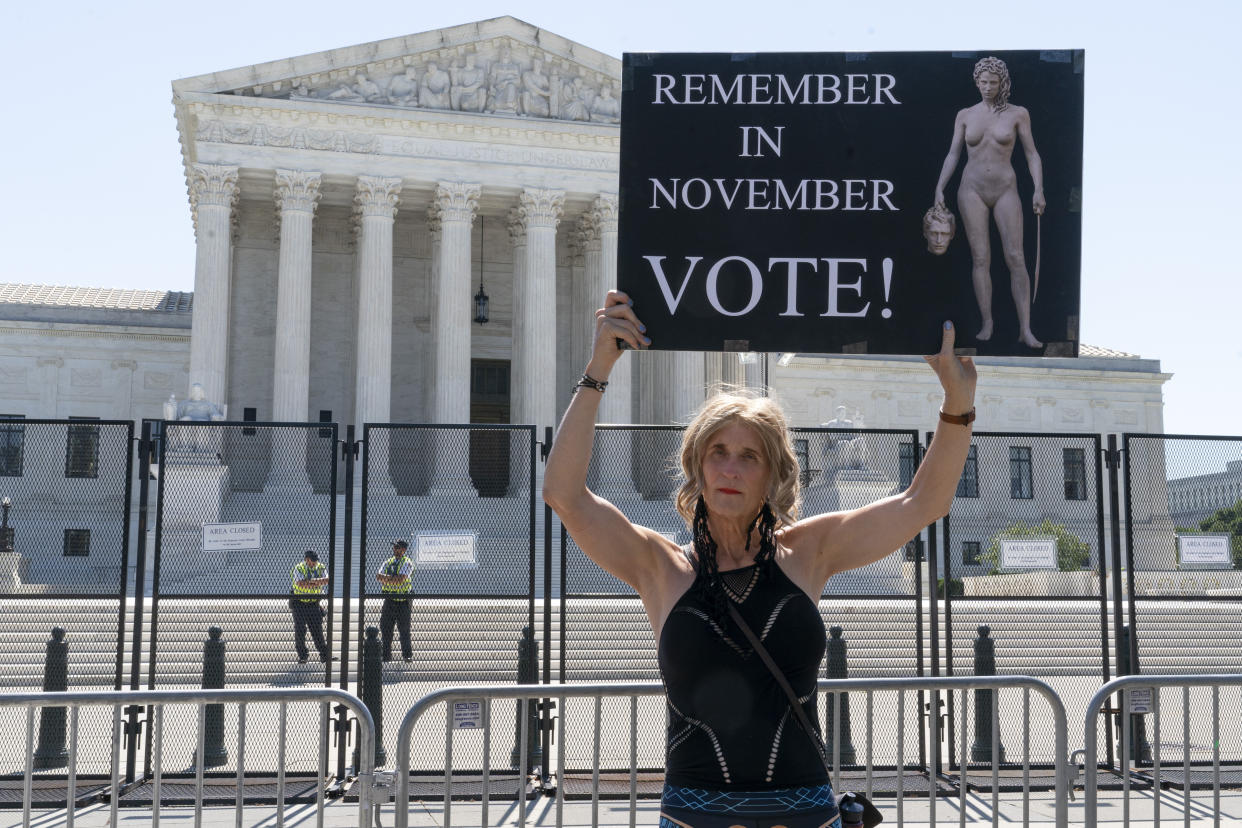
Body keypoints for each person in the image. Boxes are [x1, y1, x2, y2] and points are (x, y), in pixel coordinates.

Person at [543, 290, 976, 828]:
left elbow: (923, 503)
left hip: (805, 813)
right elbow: (565, 494)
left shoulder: (808, 552)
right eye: (717, 453)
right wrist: (597, 371)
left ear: (773, 475)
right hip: (692, 817)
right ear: (696, 468)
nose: (730, 469)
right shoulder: (661, 567)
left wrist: (958, 405)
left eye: (749, 457)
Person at [933, 55, 1044, 348]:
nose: (987, 87)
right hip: (971, 189)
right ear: (976, 82)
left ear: (1002, 83)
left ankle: (1025, 328)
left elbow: (1032, 153)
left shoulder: (1018, 114)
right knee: (981, 258)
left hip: (1006, 188)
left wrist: (1038, 189)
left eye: (993, 82)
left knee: (1016, 257)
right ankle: (987, 322)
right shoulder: (966, 114)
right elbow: (953, 153)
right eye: (983, 82)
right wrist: (939, 187)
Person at [289, 550, 331, 664]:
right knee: (300, 630)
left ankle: (324, 655)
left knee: (317, 630)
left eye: (316, 561)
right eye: (312, 561)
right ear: (307, 560)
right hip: (299, 603)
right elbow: (300, 583)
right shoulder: (299, 568)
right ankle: (303, 656)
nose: (315, 563)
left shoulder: (321, 567)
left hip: (313, 603)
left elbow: (326, 580)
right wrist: (317, 582)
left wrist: (310, 581)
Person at [376, 539, 414, 662]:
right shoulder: (388, 562)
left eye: (397, 547)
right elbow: (378, 576)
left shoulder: (407, 562)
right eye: (394, 547)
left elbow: (401, 580)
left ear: (403, 550)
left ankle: (407, 655)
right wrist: (393, 578)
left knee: (404, 630)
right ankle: (386, 656)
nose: (395, 549)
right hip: (390, 599)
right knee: (386, 629)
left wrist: (387, 579)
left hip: (403, 601)